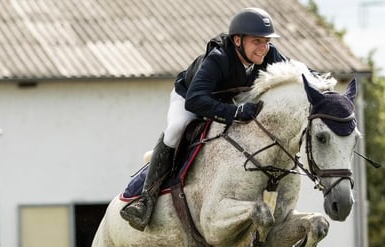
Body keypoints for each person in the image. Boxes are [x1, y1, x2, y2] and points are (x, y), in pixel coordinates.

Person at [120, 7, 290, 231]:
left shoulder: (269, 54)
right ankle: (146, 199)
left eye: (266, 41)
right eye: (257, 41)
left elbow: (297, 71)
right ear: (237, 40)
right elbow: (195, 101)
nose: (263, 48)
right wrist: (236, 113)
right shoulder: (218, 59)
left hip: (227, 102)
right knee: (177, 127)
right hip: (190, 98)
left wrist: (324, 86)